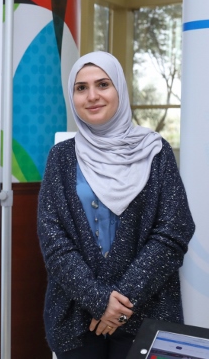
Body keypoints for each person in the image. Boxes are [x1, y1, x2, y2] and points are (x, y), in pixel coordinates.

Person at [37, 51, 195, 359]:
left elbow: (173, 232)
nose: (92, 96)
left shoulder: (155, 151)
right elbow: (53, 240)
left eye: (103, 84)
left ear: (119, 89)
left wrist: (119, 304)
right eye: (81, 88)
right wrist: (99, 301)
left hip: (148, 314)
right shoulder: (61, 157)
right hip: (77, 317)